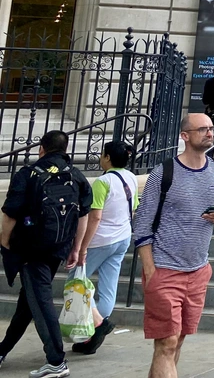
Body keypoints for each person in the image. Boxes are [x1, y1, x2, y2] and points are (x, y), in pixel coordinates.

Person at [131, 113, 214, 378]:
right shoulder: (164, 173)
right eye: (202, 129)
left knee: (178, 340)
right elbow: (142, 225)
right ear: (185, 136)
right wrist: (150, 269)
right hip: (165, 268)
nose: (209, 133)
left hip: (198, 270)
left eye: (212, 128)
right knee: (167, 342)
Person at [0, 130, 92, 377]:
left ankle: (56, 360)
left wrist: (4, 242)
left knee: (40, 302)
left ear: (42, 148)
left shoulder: (28, 174)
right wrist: (77, 248)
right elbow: (84, 214)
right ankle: (2, 349)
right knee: (28, 301)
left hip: (31, 249)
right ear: (65, 148)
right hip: (57, 247)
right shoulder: (76, 176)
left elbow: (10, 213)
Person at [71, 140, 139, 357]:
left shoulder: (102, 182)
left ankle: (97, 325)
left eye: (102, 154)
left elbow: (95, 216)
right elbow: (134, 208)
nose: (100, 157)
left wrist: (82, 247)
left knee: (76, 280)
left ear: (108, 157)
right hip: (122, 237)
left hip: (101, 240)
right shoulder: (131, 177)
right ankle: (96, 327)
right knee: (109, 287)